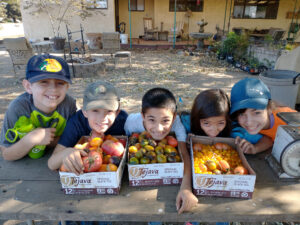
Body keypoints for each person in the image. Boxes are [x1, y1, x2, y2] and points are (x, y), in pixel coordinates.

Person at [124, 87, 198, 217]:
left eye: (165, 121)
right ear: (143, 116)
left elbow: (184, 155)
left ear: (174, 117)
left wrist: (186, 188)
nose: (159, 128)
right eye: (151, 120)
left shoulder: (177, 126)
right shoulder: (131, 123)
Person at [0, 54, 76, 161]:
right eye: (43, 82)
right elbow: (7, 154)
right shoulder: (18, 108)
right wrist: (31, 140)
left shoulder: (69, 105)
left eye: (60, 83)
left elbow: (73, 138)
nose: (53, 89)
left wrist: (47, 141)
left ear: (67, 87)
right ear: (28, 86)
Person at [48, 80, 128, 175]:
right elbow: (52, 163)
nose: (102, 118)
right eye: (95, 110)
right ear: (84, 111)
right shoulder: (76, 123)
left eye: (109, 111)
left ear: (117, 112)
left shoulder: (123, 120)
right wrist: (68, 152)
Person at [230, 78, 296, 154]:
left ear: (269, 109)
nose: (249, 122)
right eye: (242, 114)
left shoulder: (290, 122)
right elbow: (268, 139)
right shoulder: (237, 124)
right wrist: (255, 149)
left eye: (257, 113)